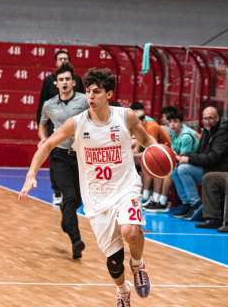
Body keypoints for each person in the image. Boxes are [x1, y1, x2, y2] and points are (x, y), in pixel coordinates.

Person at [21, 68, 155, 306]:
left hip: (125, 188)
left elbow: (146, 140)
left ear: (109, 94)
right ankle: (122, 290)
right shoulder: (78, 123)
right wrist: (31, 174)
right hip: (97, 198)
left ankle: (138, 264)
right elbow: (48, 144)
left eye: (97, 91)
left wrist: (158, 152)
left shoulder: (126, 117)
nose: (91, 96)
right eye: (89, 91)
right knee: (114, 262)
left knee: (131, 231)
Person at [38, 63, 88, 259]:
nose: (65, 82)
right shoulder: (48, 105)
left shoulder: (84, 101)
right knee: (68, 195)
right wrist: (44, 138)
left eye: (68, 79)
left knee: (77, 200)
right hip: (59, 156)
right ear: (56, 83)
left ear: (73, 82)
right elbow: (42, 124)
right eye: (61, 80)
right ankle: (76, 241)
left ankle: (66, 220)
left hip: (81, 156)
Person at [36, 50, 86, 206]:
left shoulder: (78, 84)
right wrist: (43, 137)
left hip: (75, 131)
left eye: (66, 58)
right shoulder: (48, 83)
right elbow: (42, 108)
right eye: (60, 59)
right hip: (55, 127)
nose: (63, 61)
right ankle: (57, 192)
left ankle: (74, 195)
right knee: (56, 161)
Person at [171, 106, 228, 221]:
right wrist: (185, 156)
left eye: (210, 118)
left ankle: (196, 204)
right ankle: (187, 203)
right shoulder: (207, 130)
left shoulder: (224, 133)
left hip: (219, 169)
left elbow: (213, 158)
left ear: (218, 118)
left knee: (183, 170)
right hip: (208, 166)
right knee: (175, 171)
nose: (207, 121)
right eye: (205, 118)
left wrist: (189, 159)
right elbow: (201, 152)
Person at [148, 111, 199, 213]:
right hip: (182, 161)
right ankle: (184, 202)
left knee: (172, 170)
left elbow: (183, 158)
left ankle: (164, 202)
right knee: (160, 166)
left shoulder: (186, 137)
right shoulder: (172, 133)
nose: (172, 124)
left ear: (181, 123)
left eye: (175, 122)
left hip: (195, 163)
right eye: (170, 122)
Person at [129, 102, 171, 210]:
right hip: (156, 153)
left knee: (148, 163)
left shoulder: (151, 127)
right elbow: (138, 148)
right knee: (133, 161)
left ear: (142, 121)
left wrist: (133, 155)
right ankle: (142, 194)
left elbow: (154, 151)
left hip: (165, 154)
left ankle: (152, 198)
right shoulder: (139, 127)